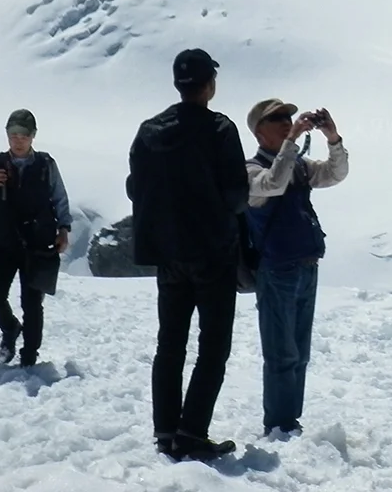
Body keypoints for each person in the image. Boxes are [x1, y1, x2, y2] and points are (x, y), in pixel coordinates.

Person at [127, 47, 249, 462]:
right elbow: (236, 193)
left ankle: (165, 431)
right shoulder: (219, 129)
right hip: (212, 253)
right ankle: (192, 432)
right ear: (209, 85)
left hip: (168, 255)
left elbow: (134, 187)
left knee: (170, 344)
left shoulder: (149, 131)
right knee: (213, 347)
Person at [244, 98, 349, 437]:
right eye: (277, 119)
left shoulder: (299, 166)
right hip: (276, 270)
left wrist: (332, 138)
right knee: (281, 352)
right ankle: (278, 422)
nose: (286, 122)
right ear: (259, 132)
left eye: (288, 117)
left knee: (299, 352)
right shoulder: (250, 170)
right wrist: (292, 145)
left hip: (305, 266)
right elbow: (272, 185)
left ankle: (290, 420)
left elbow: (335, 174)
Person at [0, 108, 72, 367]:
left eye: (23, 134)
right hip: (3, 242)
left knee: (32, 303)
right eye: (13, 134)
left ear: (33, 136)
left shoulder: (46, 165)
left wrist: (63, 228)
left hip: (37, 243)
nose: (17, 139)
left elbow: (59, 198)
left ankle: (30, 355)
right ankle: (10, 329)